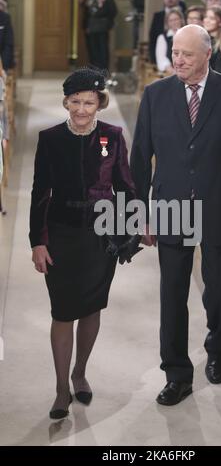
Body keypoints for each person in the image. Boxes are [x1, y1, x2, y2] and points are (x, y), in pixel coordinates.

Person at [130, 25, 221, 406]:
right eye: (175, 52)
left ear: (208, 55)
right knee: (172, 295)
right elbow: (140, 158)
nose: (178, 60)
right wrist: (138, 213)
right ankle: (176, 373)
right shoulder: (156, 95)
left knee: (220, 294)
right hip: (171, 208)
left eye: (187, 54)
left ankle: (217, 345)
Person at [29, 67, 136, 420]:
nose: (81, 109)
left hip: (99, 238)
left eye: (89, 102)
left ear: (99, 103)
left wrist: (132, 231)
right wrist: (37, 242)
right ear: (66, 102)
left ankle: (80, 372)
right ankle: (61, 387)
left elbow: (125, 187)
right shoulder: (51, 138)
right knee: (62, 311)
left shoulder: (113, 137)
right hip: (60, 236)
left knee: (91, 308)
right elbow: (40, 193)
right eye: (75, 101)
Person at [79, 0, 117, 69]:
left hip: (102, 27)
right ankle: (93, 70)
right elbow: (86, 11)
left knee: (102, 50)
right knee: (92, 50)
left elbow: (113, 11)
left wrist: (108, 23)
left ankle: (103, 70)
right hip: (90, 27)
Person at [149, 0, 186, 64]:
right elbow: (152, 39)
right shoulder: (157, 16)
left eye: (176, 19)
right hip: (164, 62)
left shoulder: (185, 14)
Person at [155, 8, 184, 74]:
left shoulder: (187, 35)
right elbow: (161, 59)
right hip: (170, 73)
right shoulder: (162, 38)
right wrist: (174, 72)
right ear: (167, 23)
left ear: (181, 20)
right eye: (171, 20)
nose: (174, 22)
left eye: (176, 19)